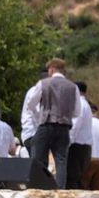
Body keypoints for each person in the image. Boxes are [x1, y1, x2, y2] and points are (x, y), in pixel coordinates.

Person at [27, 59, 78, 188]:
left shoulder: (44, 83)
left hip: (46, 124)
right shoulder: (73, 86)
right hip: (64, 127)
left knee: (39, 157)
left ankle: (41, 186)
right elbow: (77, 112)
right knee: (61, 160)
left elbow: (31, 104)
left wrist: (40, 116)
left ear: (52, 68)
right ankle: (60, 189)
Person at [66, 80, 93, 189]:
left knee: (72, 177)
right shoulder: (86, 104)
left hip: (77, 145)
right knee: (77, 177)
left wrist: (68, 142)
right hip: (84, 145)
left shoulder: (80, 104)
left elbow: (75, 124)